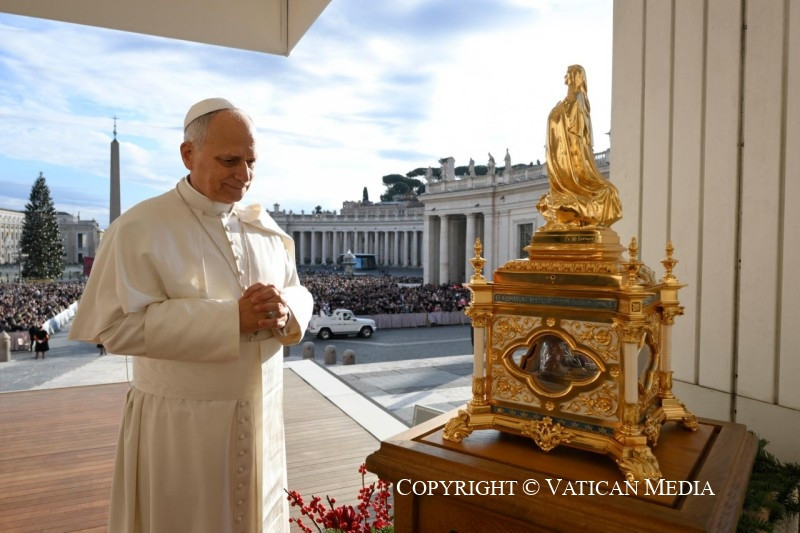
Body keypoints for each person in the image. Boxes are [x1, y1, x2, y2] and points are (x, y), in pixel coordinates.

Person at [69, 98, 313, 533]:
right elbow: (112, 327)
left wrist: (284, 310)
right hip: (181, 430)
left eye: (252, 162)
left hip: (263, 420)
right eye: (229, 161)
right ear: (188, 154)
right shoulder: (138, 228)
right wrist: (229, 320)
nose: (244, 175)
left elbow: (298, 290)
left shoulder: (265, 228)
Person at [537, 64, 622, 228]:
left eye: (568, 74)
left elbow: (576, 136)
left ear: (575, 77)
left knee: (605, 191)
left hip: (571, 156)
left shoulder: (577, 100)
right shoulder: (570, 102)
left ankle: (582, 211)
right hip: (562, 153)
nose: (565, 77)